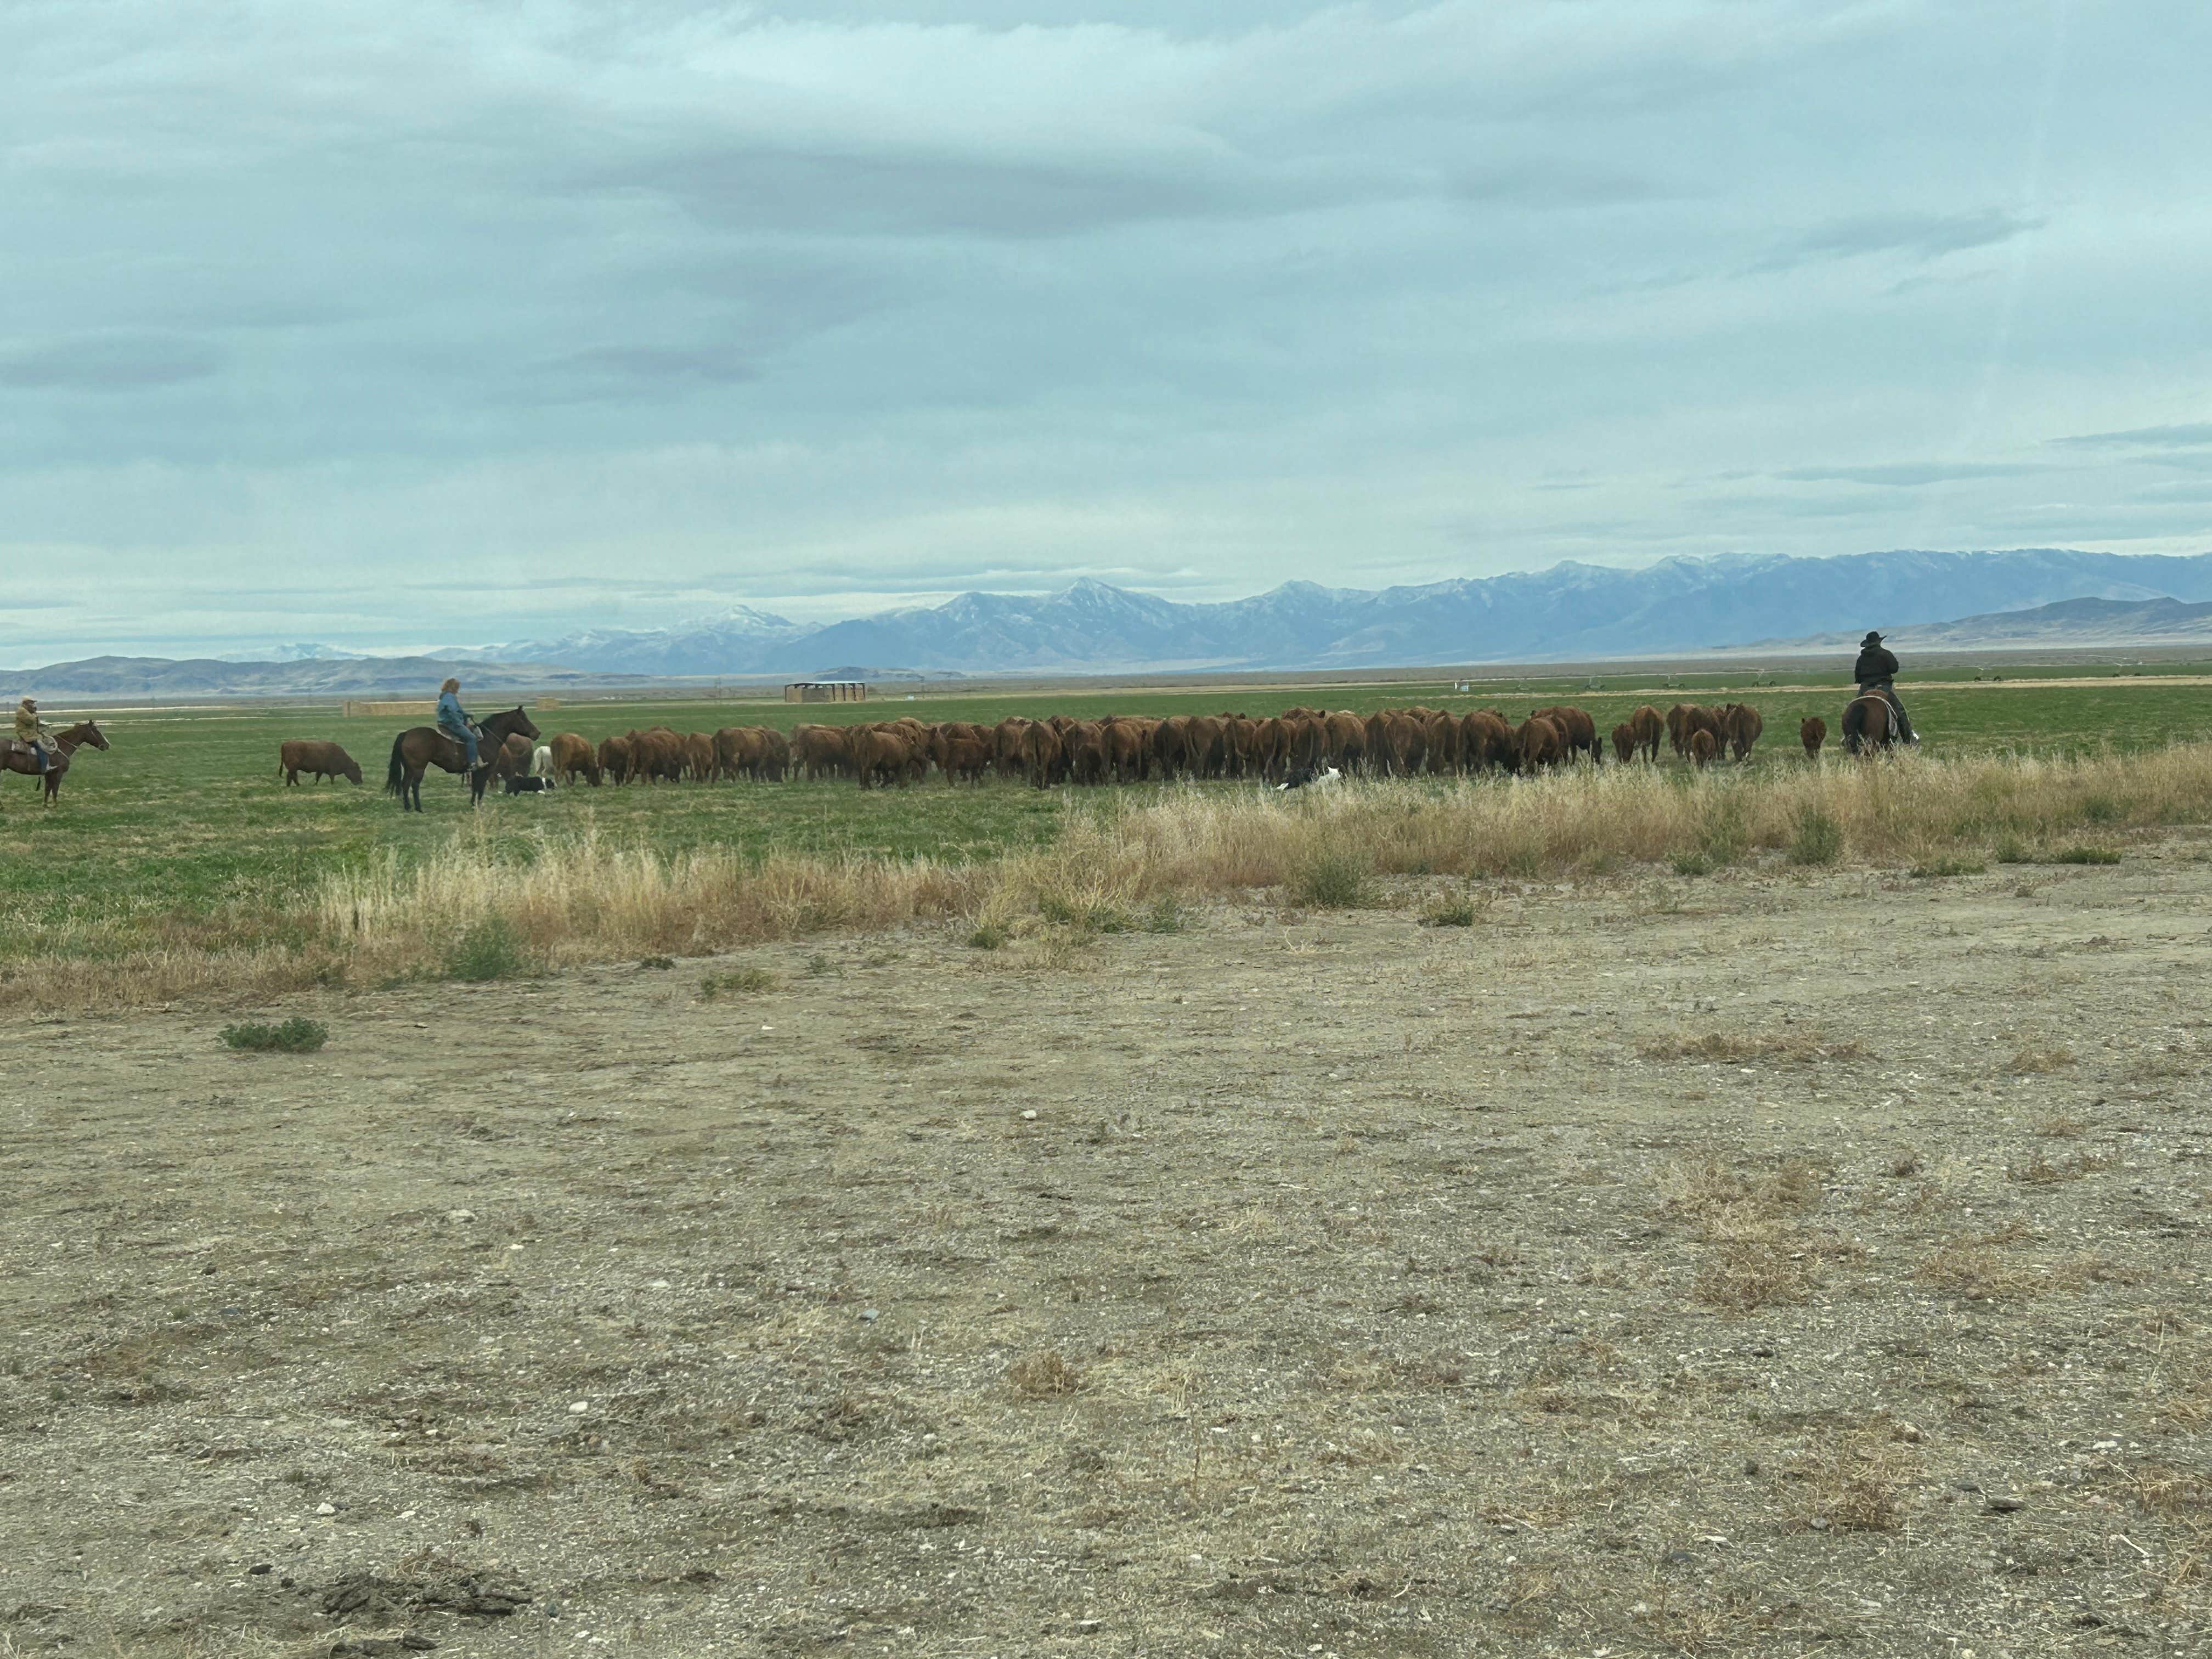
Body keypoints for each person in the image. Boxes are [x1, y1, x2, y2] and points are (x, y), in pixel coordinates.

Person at [1851, 631, 1919, 744]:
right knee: (1899, 711)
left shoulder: (1861, 658)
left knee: (1853, 711)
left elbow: (1857, 677)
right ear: (1878, 642)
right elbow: (1894, 669)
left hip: (1865, 688)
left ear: (1868, 644)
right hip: (1883, 688)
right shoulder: (1886, 654)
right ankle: (1908, 739)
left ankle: (1849, 738)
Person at [435, 677, 481, 770]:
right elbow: (452, 711)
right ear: (453, 687)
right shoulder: (450, 697)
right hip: (451, 723)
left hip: (446, 722)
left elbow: (458, 710)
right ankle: (472, 763)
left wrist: (466, 715)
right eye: (457, 687)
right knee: (472, 738)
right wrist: (459, 723)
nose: (458, 690)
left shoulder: (445, 696)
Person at [14, 696, 52, 772]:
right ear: (26, 703)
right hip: (27, 734)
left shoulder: (27, 711)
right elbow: (30, 721)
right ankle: (44, 768)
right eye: (31, 703)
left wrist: (44, 724)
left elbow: (36, 722)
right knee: (42, 748)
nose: (33, 704)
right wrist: (34, 713)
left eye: (33, 703)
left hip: (32, 734)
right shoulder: (22, 711)